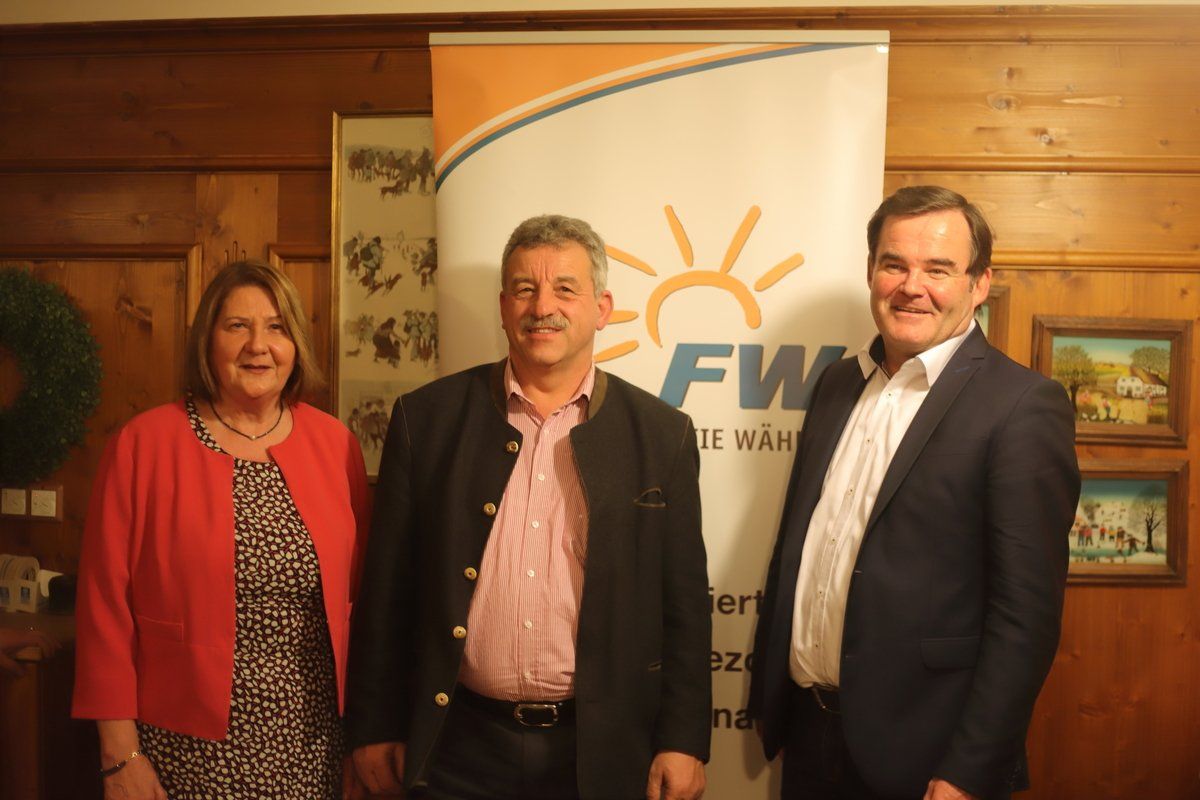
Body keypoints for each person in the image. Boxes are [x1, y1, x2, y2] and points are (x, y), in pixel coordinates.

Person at [346, 214, 711, 800]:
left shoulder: (663, 435)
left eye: (566, 289)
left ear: (602, 308)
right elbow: (387, 590)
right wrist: (374, 724)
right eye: (524, 289)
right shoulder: (426, 420)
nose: (543, 307)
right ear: (502, 306)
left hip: (602, 751)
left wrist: (685, 739)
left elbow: (685, 606)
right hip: (456, 747)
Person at [749, 186, 1080, 800]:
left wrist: (969, 771)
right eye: (894, 264)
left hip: (928, 757)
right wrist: (772, 699)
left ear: (979, 284)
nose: (911, 287)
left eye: (938, 269)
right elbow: (800, 545)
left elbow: (1025, 618)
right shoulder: (837, 385)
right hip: (809, 738)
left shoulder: (1022, 407)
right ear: (871, 271)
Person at [73, 261, 370, 799]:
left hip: (313, 746)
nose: (259, 345)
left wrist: (363, 740)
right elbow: (103, 608)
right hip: (182, 751)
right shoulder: (144, 445)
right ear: (207, 340)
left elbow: (364, 602)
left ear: (295, 344)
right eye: (237, 326)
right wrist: (119, 755)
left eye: (276, 327)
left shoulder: (336, 445)